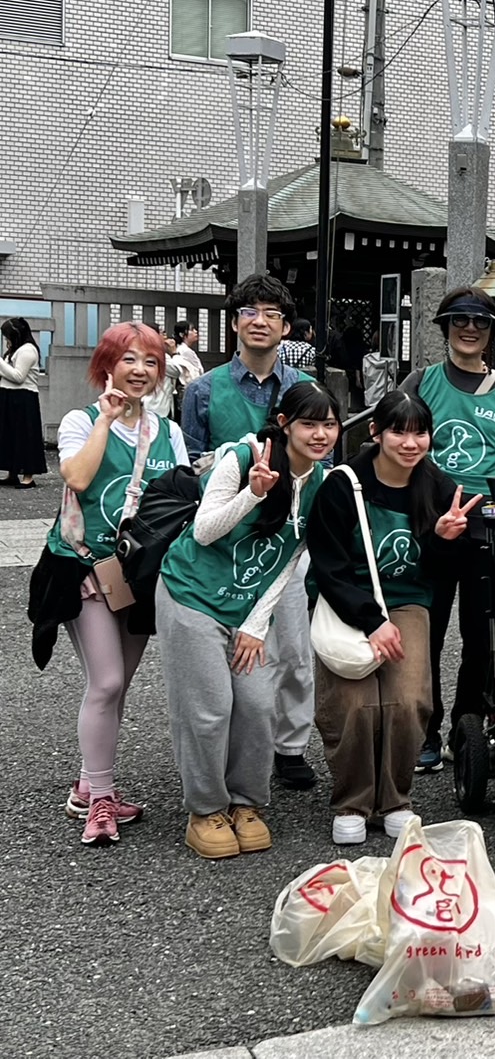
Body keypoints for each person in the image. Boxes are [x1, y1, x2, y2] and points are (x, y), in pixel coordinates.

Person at [156, 382, 339, 859]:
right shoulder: (244, 456)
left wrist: (257, 624)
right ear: (284, 424)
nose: (320, 434)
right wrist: (254, 494)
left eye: (329, 424)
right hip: (191, 593)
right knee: (210, 709)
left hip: (247, 605)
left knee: (258, 705)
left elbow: (290, 560)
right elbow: (203, 529)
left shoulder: (321, 481)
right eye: (309, 423)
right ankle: (206, 808)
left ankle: (246, 803)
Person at [31, 322, 188, 845]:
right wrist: (106, 418)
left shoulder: (170, 431)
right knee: (107, 682)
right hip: (82, 568)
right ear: (107, 366)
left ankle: (89, 782)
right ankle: (99, 799)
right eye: (129, 360)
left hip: (138, 576)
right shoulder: (81, 419)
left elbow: (182, 501)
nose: (140, 370)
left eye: (150, 361)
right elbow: (76, 477)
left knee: (117, 684)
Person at [307, 391, 479, 845]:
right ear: (375, 433)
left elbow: (446, 571)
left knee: (408, 701)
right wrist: (371, 620)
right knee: (353, 704)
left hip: (407, 602)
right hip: (350, 602)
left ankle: (395, 799)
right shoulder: (343, 485)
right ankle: (352, 801)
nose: (409, 442)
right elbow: (329, 567)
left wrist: (444, 540)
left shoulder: (437, 487)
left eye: (419, 431)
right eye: (398, 430)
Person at [181, 274, 315, 791]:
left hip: (288, 535)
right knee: (230, 646)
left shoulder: (302, 388)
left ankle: (291, 745)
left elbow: (323, 450)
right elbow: (189, 465)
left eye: (272, 314)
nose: (260, 321)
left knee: (294, 648)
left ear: (285, 325)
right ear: (235, 322)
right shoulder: (202, 389)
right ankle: (238, 744)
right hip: (226, 537)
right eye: (249, 312)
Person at [399, 286, 495, 770]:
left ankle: (467, 724)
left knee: (481, 635)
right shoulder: (421, 381)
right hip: (431, 527)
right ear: (445, 327)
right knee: (425, 634)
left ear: (493, 332)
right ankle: (425, 730)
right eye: (460, 320)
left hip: (488, 531)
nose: (470, 328)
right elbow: (395, 443)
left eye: (480, 322)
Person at [0, 317, 46, 487]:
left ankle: (28, 477)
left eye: (8, 336)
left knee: (25, 437)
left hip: (23, 397)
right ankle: (12, 473)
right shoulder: (16, 350)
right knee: (10, 436)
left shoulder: (27, 350)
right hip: (10, 396)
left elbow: (18, 377)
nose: (6, 340)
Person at [362, 328, 396, 409]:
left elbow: (365, 378)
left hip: (371, 397)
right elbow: (395, 374)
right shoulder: (391, 360)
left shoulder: (366, 359)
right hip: (387, 396)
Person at [174, 321, 204, 389]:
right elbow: (198, 371)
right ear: (182, 334)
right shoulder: (185, 351)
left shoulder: (183, 349)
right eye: (192, 330)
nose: (195, 331)